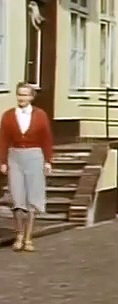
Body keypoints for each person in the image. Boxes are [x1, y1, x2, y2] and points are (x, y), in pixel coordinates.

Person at [0, 82, 53, 252]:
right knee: (17, 198)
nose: (22, 98)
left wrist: (48, 160)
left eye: (25, 95)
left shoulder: (40, 115)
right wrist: (2, 161)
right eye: (19, 94)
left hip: (35, 156)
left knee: (33, 198)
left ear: (31, 97)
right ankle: (19, 235)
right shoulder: (8, 115)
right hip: (15, 156)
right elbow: (3, 139)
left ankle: (29, 238)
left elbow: (47, 139)